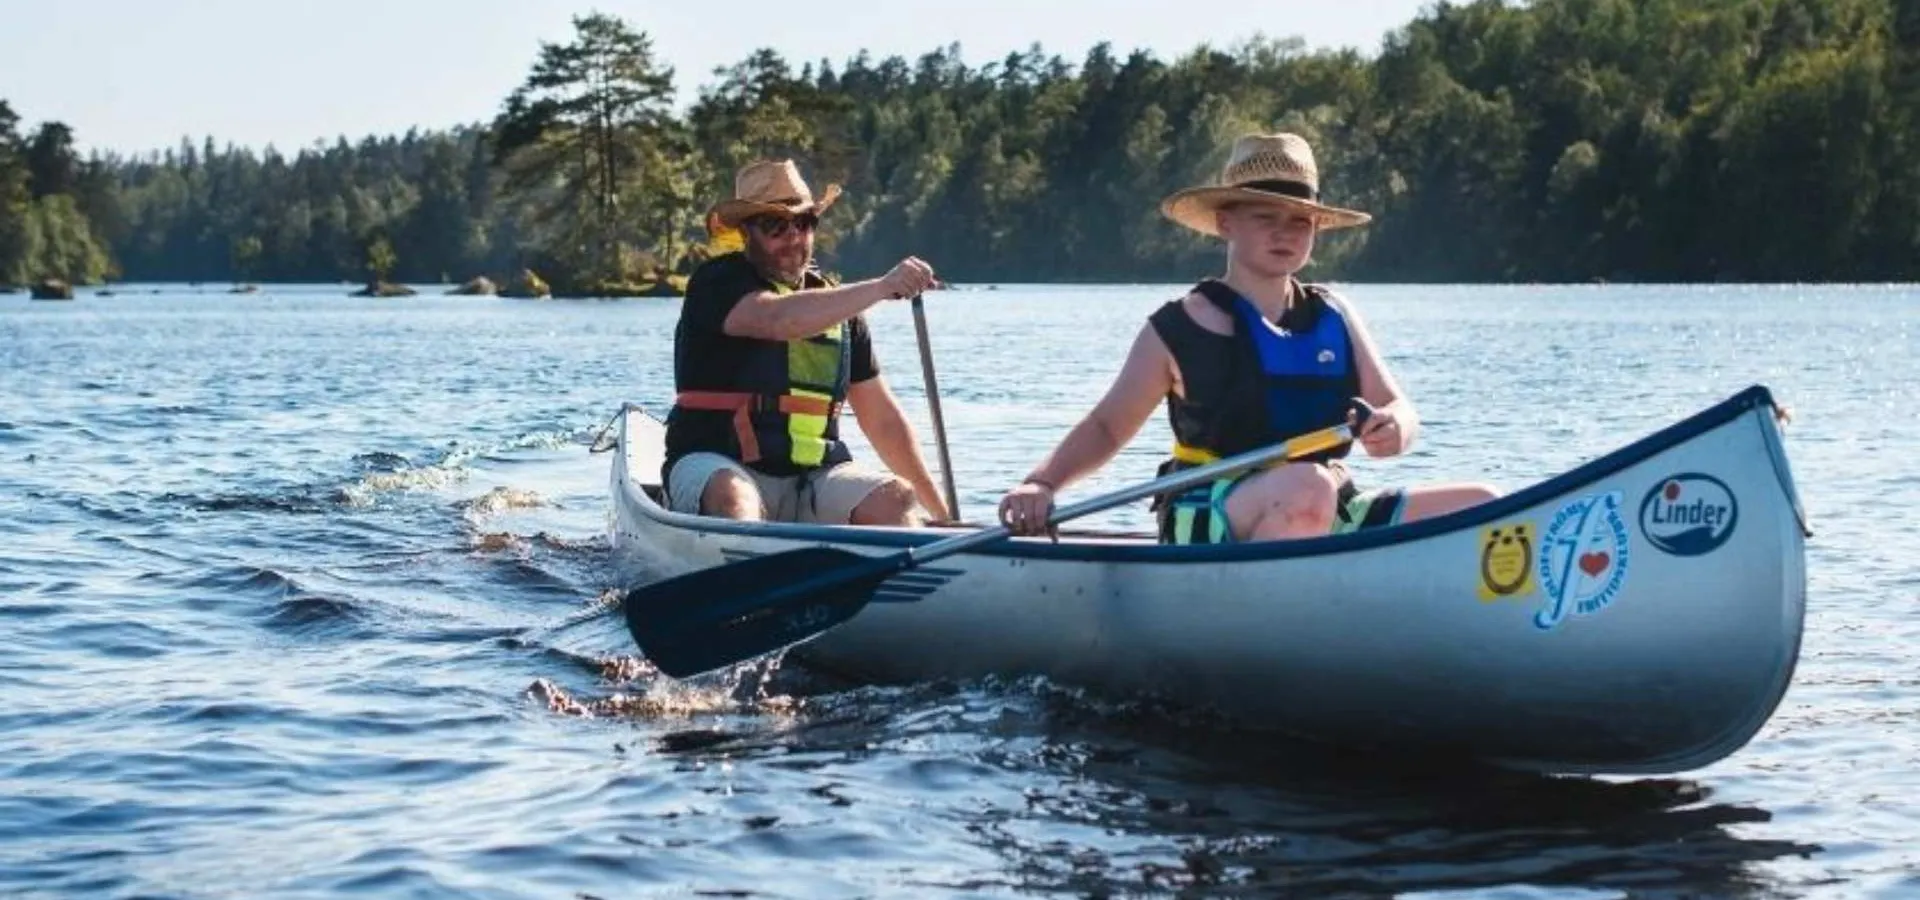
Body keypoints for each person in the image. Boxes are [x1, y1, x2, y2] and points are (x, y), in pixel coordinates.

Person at [997, 133, 1498, 543]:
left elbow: (1397, 406)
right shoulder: (1178, 325)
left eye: (1299, 222)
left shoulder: (1335, 313)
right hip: (1208, 512)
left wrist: (1394, 427)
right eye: (1265, 218)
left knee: (1486, 507)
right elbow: (1107, 427)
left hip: (1322, 499)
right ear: (1225, 223)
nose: (1284, 233)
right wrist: (1041, 483)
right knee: (1307, 489)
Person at [664, 158, 952, 527]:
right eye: (775, 225)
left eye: (803, 222)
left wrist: (941, 516)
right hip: (716, 464)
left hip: (811, 480)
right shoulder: (717, 282)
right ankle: (747, 574)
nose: (793, 236)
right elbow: (777, 319)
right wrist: (881, 287)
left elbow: (882, 421)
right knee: (735, 498)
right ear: (747, 232)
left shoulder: (840, 309)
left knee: (896, 499)